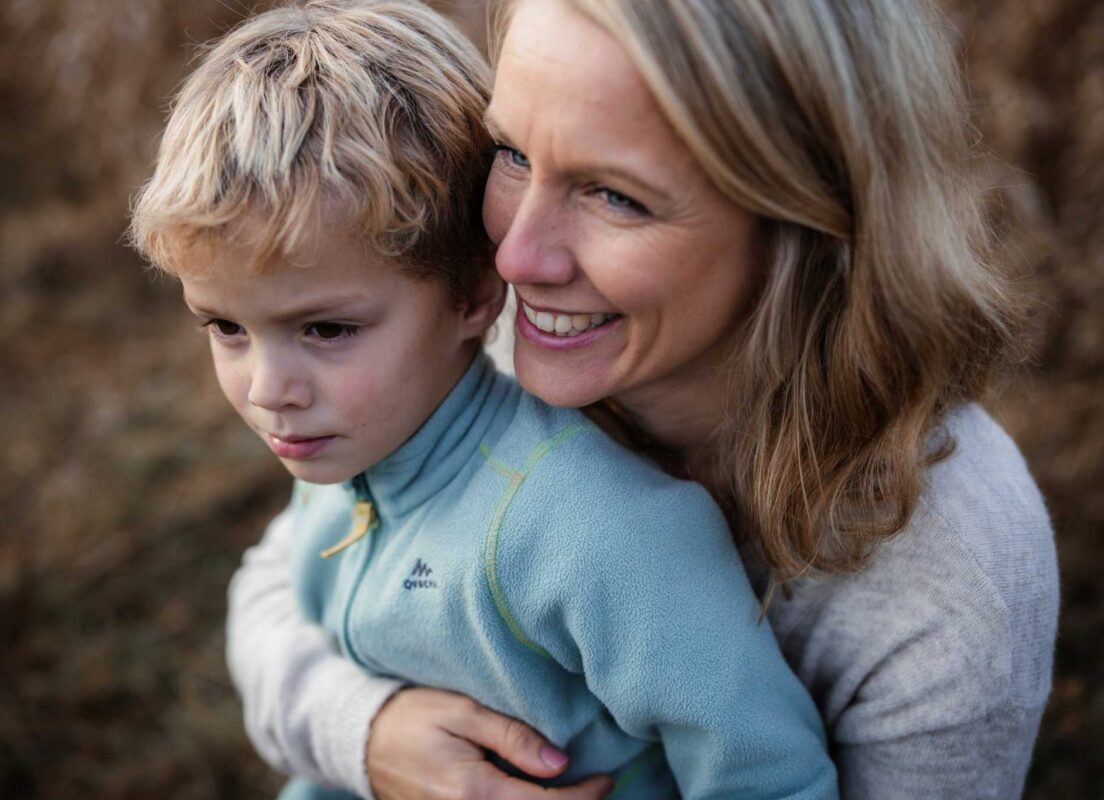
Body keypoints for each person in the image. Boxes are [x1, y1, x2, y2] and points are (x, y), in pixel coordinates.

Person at [224, 0, 1061, 798]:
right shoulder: (515, 329)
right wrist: (366, 734)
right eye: (512, 153)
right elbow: (292, 568)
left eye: (615, 195)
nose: (514, 257)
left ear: (809, 217)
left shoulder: (952, 588)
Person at [129, 1, 839, 798]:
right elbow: (273, 593)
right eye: (225, 326)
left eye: (325, 330)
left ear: (474, 294)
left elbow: (769, 777)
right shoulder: (362, 448)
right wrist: (364, 734)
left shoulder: (596, 532)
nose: (266, 390)